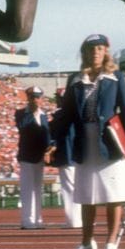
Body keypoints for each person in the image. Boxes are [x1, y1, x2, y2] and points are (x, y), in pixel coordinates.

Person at [49, 34, 125, 249]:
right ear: (85, 53)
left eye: (100, 48)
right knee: (87, 195)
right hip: (84, 140)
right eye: (91, 49)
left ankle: (111, 242)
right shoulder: (76, 79)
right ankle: (87, 243)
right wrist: (51, 139)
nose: (96, 52)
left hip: (109, 140)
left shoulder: (115, 76)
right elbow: (66, 113)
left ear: (106, 51)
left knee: (113, 195)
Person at [14, 85, 51, 229]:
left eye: (38, 97)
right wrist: (32, 112)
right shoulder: (21, 113)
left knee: (37, 189)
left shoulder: (43, 115)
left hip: (40, 156)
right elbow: (23, 127)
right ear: (28, 99)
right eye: (32, 97)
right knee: (27, 189)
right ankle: (27, 220)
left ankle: (37, 219)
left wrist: (49, 150)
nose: (36, 100)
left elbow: (47, 134)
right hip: (27, 155)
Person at [46, 87, 82, 229]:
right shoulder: (77, 113)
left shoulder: (61, 114)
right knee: (78, 188)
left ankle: (73, 220)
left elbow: (55, 135)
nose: (57, 100)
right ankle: (80, 219)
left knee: (69, 189)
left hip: (67, 155)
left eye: (59, 98)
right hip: (78, 156)